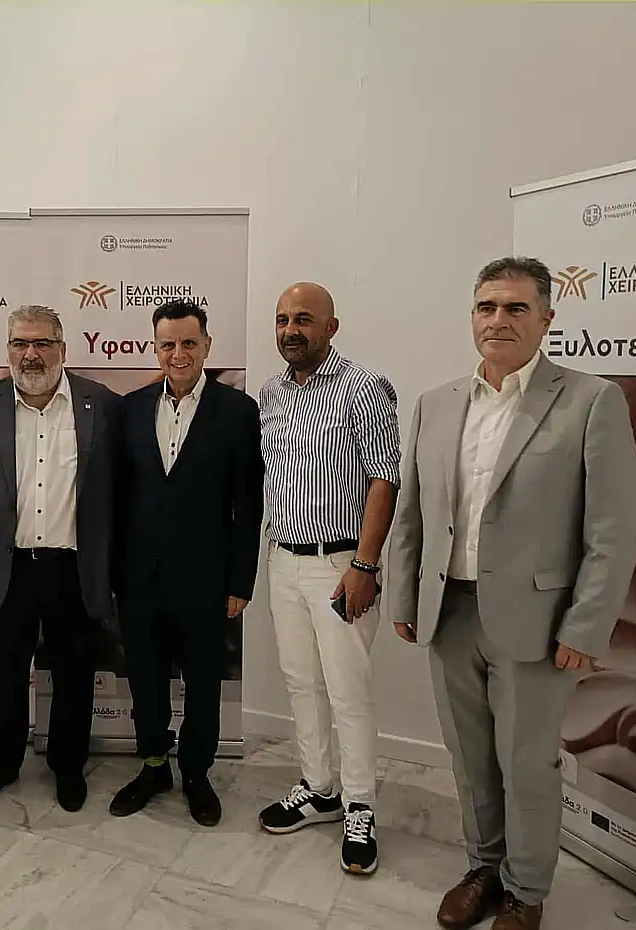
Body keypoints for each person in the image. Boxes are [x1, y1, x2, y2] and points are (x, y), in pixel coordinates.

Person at [385, 257, 636, 930]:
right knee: (469, 755)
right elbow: (413, 512)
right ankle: (483, 868)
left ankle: (526, 890)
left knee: (526, 764)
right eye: (486, 306)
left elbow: (616, 527)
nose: (498, 319)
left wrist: (586, 626)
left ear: (547, 319)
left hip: (539, 620)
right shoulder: (436, 404)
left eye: (515, 308)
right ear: (472, 316)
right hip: (450, 612)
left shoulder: (590, 400)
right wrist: (405, 597)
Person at [0, 305, 119, 815]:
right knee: (2, 673)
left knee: (74, 673)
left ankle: (68, 765)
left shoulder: (101, 405)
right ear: (8, 349)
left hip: (75, 567)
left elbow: (119, 495)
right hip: (6, 567)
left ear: (63, 349)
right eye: (20, 343)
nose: (31, 354)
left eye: (42, 343)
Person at [256, 282, 401, 877]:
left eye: (304, 319)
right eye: (282, 320)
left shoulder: (365, 386)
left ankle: (360, 804)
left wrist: (365, 566)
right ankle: (319, 788)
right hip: (282, 561)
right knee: (300, 682)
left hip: (340, 566)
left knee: (348, 691)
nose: (291, 330)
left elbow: (385, 480)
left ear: (331, 327)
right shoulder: (269, 393)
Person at [109, 299, 263, 826]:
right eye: (168, 344)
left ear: (207, 346)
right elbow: (117, 498)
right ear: (155, 348)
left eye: (189, 343)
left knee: (203, 683)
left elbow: (248, 503)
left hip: (206, 579)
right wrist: (114, 574)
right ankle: (153, 766)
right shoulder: (130, 409)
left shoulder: (238, 411)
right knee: (146, 679)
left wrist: (241, 580)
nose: (178, 353)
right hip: (139, 579)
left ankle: (196, 773)